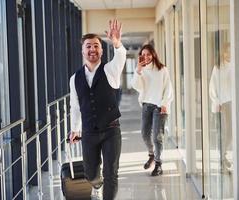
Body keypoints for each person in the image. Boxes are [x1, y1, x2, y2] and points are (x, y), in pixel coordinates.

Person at [69, 19, 126, 200]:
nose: (92, 49)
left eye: (96, 45)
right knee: (91, 174)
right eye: (88, 46)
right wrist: (75, 129)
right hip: (88, 132)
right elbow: (76, 106)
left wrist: (116, 43)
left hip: (111, 130)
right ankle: (96, 183)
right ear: (83, 51)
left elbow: (121, 57)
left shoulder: (111, 70)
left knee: (111, 173)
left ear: (101, 50)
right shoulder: (74, 78)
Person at [131, 44, 173, 176]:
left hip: (159, 106)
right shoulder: (141, 70)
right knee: (144, 134)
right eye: (143, 55)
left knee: (157, 137)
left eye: (148, 54)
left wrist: (165, 103)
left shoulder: (162, 69)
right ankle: (151, 154)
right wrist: (138, 70)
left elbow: (168, 88)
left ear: (153, 54)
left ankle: (158, 164)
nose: (146, 57)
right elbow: (136, 86)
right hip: (146, 105)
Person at [209, 42, 232, 172]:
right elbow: (212, 87)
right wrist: (217, 102)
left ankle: (223, 156)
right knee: (223, 133)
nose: (228, 53)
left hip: (232, 103)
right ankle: (222, 160)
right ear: (223, 53)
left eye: (230, 51)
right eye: (226, 51)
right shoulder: (218, 67)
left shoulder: (235, 66)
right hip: (222, 105)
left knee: (231, 133)